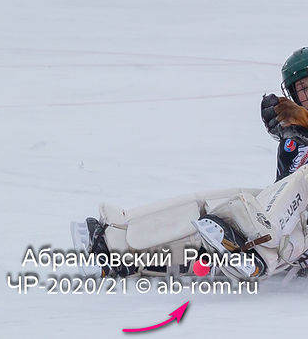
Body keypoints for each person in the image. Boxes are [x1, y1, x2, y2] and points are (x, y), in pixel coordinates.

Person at [78, 48, 308, 283]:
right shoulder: (293, 139)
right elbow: (287, 191)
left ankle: (257, 252)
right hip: (292, 239)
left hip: (291, 242)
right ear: (292, 93)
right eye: (304, 88)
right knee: (231, 205)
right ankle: (119, 244)